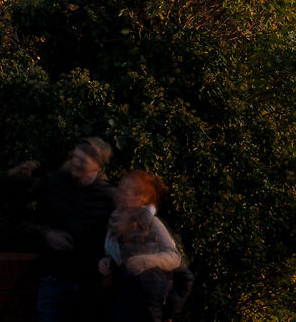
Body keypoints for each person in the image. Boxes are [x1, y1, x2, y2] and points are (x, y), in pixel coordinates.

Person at [17, 138, 118, 322]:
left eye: (83, 161)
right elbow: (20, 215)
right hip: (54, 278)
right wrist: (46, 233)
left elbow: (125, 235)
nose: (76, 163)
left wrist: (110, 258)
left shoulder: (109, 196)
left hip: (90, 284)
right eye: (75, 157)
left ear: (98, 166)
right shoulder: (53, 183)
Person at [101, 170, 185, 322]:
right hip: (123, 296)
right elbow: (113, 252)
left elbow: (175, 257)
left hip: (148, 300)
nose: (124, 194)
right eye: (123, 189)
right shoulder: (114, 220)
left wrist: (147, 261)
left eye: (130, 191)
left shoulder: (153, 224)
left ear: (143, 198)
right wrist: (107, 261)